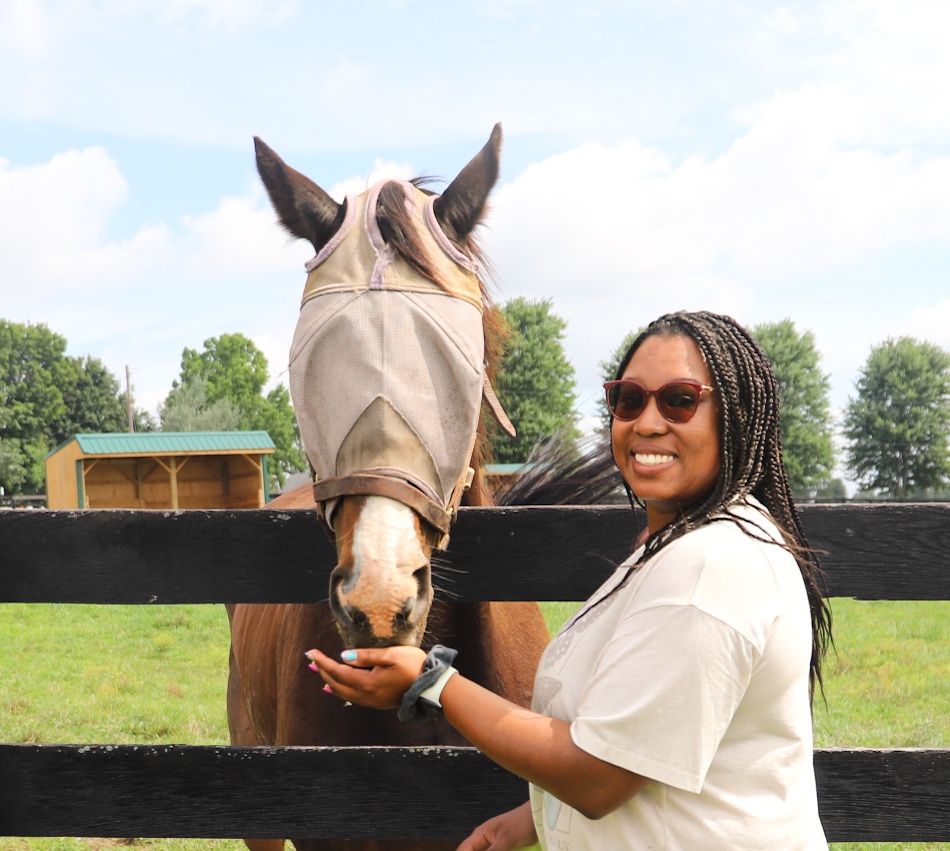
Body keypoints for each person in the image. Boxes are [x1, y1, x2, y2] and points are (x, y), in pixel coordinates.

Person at [307, 310, 833, 850]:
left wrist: (432, 682)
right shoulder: (683, 546)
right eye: (629, 399)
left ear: (736, 417)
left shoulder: (709, 568)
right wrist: (532, 819)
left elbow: (599, 777)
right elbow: (643, 739)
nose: (647, 423)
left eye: (679, 400)